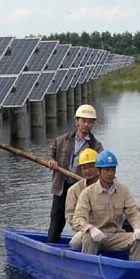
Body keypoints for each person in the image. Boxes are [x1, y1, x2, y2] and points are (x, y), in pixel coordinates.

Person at [70, 151, 140, 260]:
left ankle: (137, 272)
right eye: (107, 170)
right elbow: (78, 218)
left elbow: (133, 213)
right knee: (88, 237)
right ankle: (88, 270)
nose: (110, 173)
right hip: (95, 235)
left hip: (115, 236)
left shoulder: (123, 191)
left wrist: (137, 228)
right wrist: (91, 229)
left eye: (113, 169)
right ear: (98, 171)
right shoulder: (87, 193)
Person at [46, 103, 104, 242]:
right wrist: (51, 160)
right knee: (57, 219)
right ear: (76, 121)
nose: (86, 124)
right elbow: (51, 152)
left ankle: (85, 244)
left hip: (82, 188)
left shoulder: (96, 146)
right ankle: (51, 246)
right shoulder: (63, 140)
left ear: (93, 124)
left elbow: (101, 166)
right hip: (62, 185)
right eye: (83, 121)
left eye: (89, 121)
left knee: (83, 218)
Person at [59, 147, 101, 242]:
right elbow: (71, 217)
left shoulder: (107, 187)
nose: (87, 171)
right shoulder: (73, 190)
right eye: (84, 168)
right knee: (84, 240)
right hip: (82, 231)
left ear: (98, 167)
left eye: (90, 166)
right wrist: (88, 228)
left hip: (105, 230)